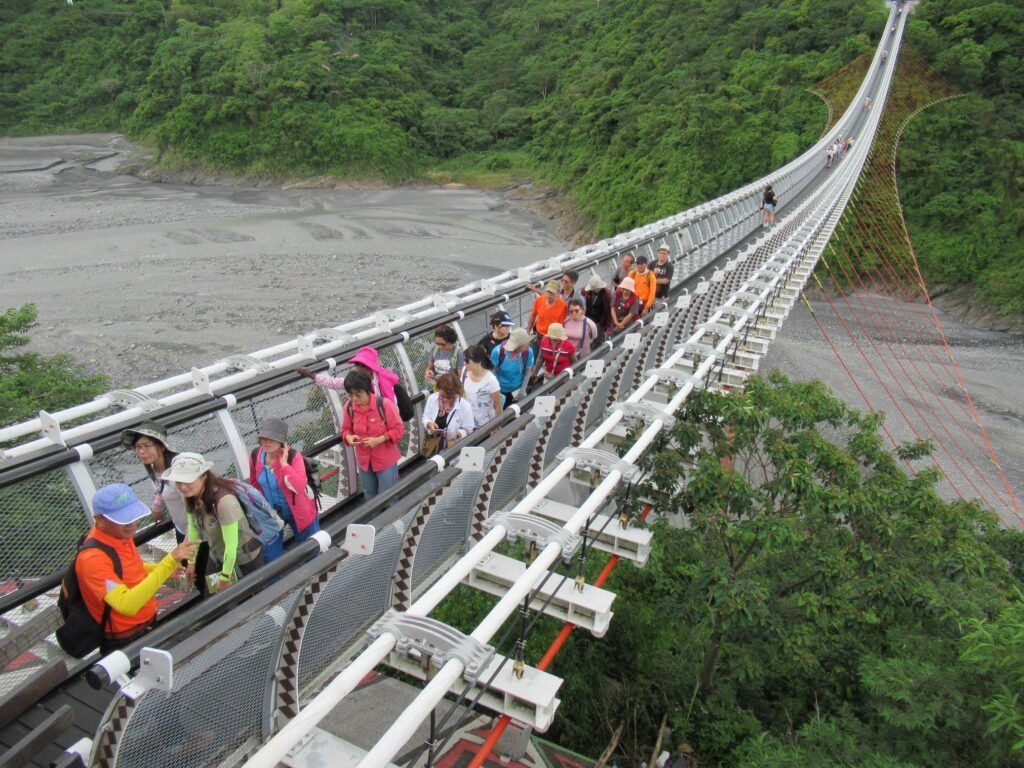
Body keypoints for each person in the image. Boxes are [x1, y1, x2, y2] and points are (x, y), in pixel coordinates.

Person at [74, 484, 199, 654]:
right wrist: (168, 563)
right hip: (126, 637)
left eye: (133, 516)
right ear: (100, 520)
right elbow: (127, 604)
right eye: (123, 520)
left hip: (146, 621)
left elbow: (131, 567)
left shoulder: (120, 535)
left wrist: (157, 568)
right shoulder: (93, 559)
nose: (133, 524)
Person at [163, 453, 265, 595]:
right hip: (218, 554)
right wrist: (191, 563)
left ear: (204, 476)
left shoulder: (225, 502)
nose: (183, 487)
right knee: (213, 596)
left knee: (252, 599)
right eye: (179, 482)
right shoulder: (191, 497)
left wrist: (225, 577)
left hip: (244, 558)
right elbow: (193, 529)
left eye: (188, 481)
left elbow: (232, 544)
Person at [248, 418, 320, 561]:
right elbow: (254, 482)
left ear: (281, 441)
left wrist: (284, 465)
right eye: (264, 438)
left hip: (298, 510)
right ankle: (279, 582)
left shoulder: (294, 457)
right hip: (271, 511)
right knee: (270, 554)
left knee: (310, 549)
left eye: (272, 439)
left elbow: (299, 486)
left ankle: (316, 578)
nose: (267, 442)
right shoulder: (256, 455)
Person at [340, 369, 405, 499]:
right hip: (364, 460)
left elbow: (399, 429)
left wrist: (380, 439)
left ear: (367, 391)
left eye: (358, 395)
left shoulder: (384, 405)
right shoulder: (349, 407)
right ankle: (374, 519)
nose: (354, 399)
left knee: (388, 496)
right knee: (369, 494)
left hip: (385, 459)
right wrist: (349, 437)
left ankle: (390, 519)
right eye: (350, 395)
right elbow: (345, 429)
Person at [120, 421, 186, 542]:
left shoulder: (179, 468)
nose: (141, 451)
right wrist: (156, 507)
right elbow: (161, 486)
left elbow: (194, 504)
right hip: (182, 528)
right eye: (138, 447)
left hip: (199, 531)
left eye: (147, 445)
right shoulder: (154, 467)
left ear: (161, 446)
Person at [299, 346, 400, 405]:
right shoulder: (357, 380)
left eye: (363, 365)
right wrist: (312, 375)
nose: (359, 368)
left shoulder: (383, 381)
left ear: (371, 368)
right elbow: (334, 383)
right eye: (357, 364)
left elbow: (392, 405)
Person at [423, 372, 475, 449]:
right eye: (442, 396)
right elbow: (425, 417)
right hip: (433, 445)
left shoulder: (465, 406)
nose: (445, 400)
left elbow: (468, 429)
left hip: (453, 447)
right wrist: (429, 423)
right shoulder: (432, 399)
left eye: (449, 397)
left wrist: (458, 434)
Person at [490, 327, 535, 407]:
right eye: (523, 346)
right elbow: (492, 372)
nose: (526, 347)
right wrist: (497, 390)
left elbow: (527, 373)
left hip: (518, 388)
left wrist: (522, 391)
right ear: (516, 346)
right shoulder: (498, 351)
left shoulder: (528, 352)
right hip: (502, 389)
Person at [462, 346, 502, 427]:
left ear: (479, 362)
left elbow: (498, 406)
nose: (464, 363)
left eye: (467, 361)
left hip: (486, 424)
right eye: (464, 360)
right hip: (468, 421)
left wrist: (496, 427)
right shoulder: (465, 371)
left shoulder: (491, 381)